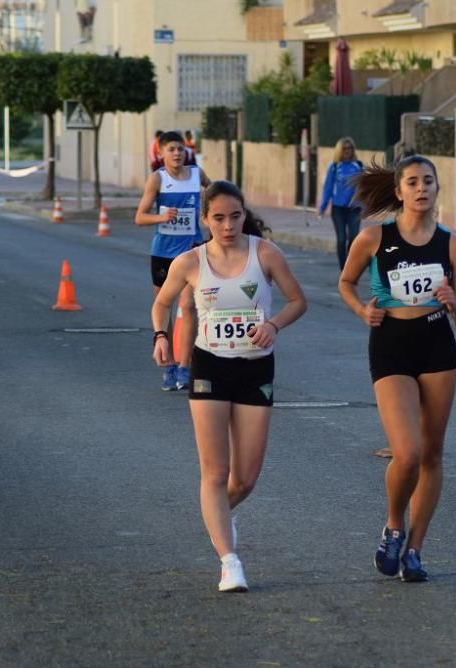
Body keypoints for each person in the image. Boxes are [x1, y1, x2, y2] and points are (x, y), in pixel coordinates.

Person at [151, 180, 307, 593]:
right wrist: (161, 336)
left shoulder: (265, 253)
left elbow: (297, 300)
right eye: (218, 218)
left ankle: (216, 514)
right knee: (215, 471)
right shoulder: (189, 262)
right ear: (205, 220)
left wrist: (273, 324)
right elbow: (161, 302)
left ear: (243, 215)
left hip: (255, 370)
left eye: (234, 216)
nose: (227, 225)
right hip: (209, 367)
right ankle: (229, 561)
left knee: (246, 477)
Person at [338, 155, 456, 583]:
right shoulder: (374, 238)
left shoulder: (452, 245)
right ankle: (394, 525)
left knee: (432, 453)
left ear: (437, 189)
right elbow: (346, 282)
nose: (421, 189)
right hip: (392, 345)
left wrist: (454, 304)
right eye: (412, 182)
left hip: (437, 343)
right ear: (399, 191)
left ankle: (415, 549)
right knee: (408, 452)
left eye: (428, 182)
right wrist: (362, 310)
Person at [135, 130, 211, 391]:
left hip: (191, 252)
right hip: (163, 252)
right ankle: (167, 365)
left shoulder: (196, 175)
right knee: (164, 306)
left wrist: (207, 213)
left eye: (180, 149)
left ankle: (184, 366)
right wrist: (162, 218)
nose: (177, 153)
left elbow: (214, 195)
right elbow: (140, 217)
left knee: (188, 306)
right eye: (171, 149)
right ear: (161, 153)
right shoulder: (158, 179)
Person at [319, 137, 364, 270]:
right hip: (338, 208)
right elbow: (327, 187)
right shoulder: (334, 167)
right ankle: (343, 268)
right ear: (339, 150)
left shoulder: (359, 166)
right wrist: (323, 206)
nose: (347, 151)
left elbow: (364, 187)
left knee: (354, 238)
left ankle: (350, 265)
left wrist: (366, 204)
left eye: (350, 148)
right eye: (344, 148)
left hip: (354, 208)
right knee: (341, 239)